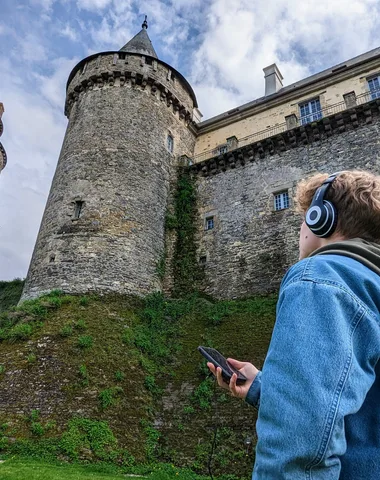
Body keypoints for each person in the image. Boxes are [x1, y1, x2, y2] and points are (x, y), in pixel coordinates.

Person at [208, 170, 380, 479]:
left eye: (303, 219)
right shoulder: (371, 284)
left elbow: (301, 441)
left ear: (320, 219)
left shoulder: (320, 278)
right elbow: (363, 414)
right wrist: (262, 388)